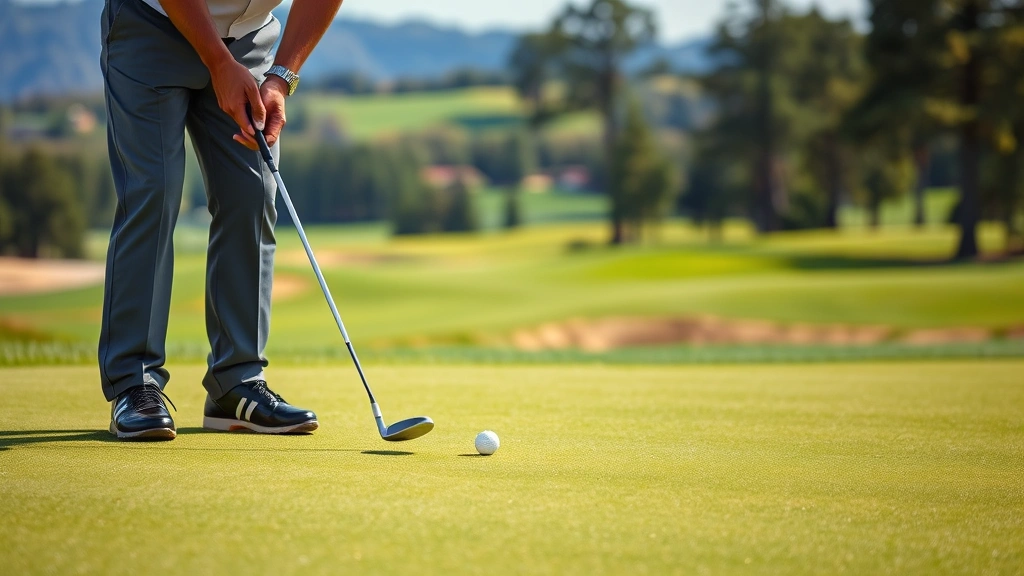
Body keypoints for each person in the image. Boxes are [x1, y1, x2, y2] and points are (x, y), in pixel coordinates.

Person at [98, 0, 343, 440]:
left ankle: (237, 383)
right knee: (153, 192)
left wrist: (281, 77)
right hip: (153, 24)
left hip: (249, 40)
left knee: (252, 193)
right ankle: (134, 383)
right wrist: (216, 60)